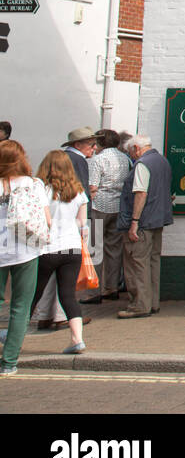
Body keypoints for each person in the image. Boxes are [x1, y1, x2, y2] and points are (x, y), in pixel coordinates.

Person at [0, 140, 50, 375]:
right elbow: (47, 219)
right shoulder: (33, 184)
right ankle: (9, 363)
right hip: (25, 250)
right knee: (20, 307)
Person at [31, 151, 89, 354]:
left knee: (32, 294)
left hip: (47, 248)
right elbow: (83, 224)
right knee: (67, 295)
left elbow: (40, 220)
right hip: (72, 248)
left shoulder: (43, 190)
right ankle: (77, 339)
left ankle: (15, 335)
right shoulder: (79, 192)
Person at [116, 135, 173, 319]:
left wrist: (134, 221)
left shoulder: (142, 164)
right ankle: (153, 302)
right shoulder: (163, 161)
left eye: (130, 152)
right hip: (158, 219)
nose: (131, 155)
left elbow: (141, 193)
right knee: (153, 261)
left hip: (144, 221)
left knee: (137, 262)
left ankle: (140, 305)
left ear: (135, 148)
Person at [83, 129, 131, 304]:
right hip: (118, 206)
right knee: (114, 248)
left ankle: (93, 290)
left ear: (101, 143)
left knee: (95, 247)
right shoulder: (124, 158)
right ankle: (111, 287)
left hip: (100, 206)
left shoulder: (97, 160)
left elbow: (93, 187)